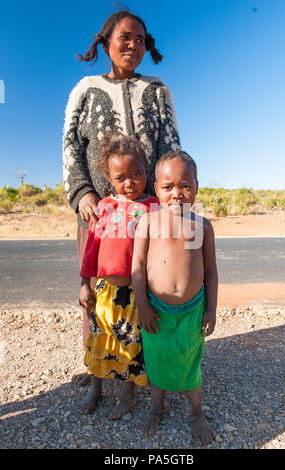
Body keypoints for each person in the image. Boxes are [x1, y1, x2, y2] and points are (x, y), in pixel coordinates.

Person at [62, 10, 180, 386]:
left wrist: (168, 203)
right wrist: (83, 194)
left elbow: (171, 148)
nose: (133, 45)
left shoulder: (158, 90)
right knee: (98, 293)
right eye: (125, 37)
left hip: (149, 215)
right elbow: (69, 147)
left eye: (141, 39)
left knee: (148, 292)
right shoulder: (84, 88)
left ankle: (146, 369)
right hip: (99, 213)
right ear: (106, 41)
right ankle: (96, 366)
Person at [132, 151, 218, 446]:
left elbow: (210, 271)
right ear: (156, 189)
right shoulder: (148, 223)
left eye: (185, 185)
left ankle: (196, 412)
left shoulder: (201, 225)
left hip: (194, 309)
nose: (177, 194)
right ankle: (157, 407)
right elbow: (138, 268)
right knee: (157, 360)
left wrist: (212, 310)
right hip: (155, 309)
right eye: (168, 187)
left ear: (196, 186)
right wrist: (142, 304)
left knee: (190, 360)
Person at [79, 133, 159, 416]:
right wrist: (84, 285)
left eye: (136, 174)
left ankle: (128, 395)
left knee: (132, 344)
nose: (129, 183)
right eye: (120, 178)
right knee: (99, 340)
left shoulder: (155, 208)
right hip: (104, 291)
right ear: (109, 178)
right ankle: (96, 389)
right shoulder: (105, 208)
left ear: (147, 172)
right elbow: (92, 249)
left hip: (138, 294)